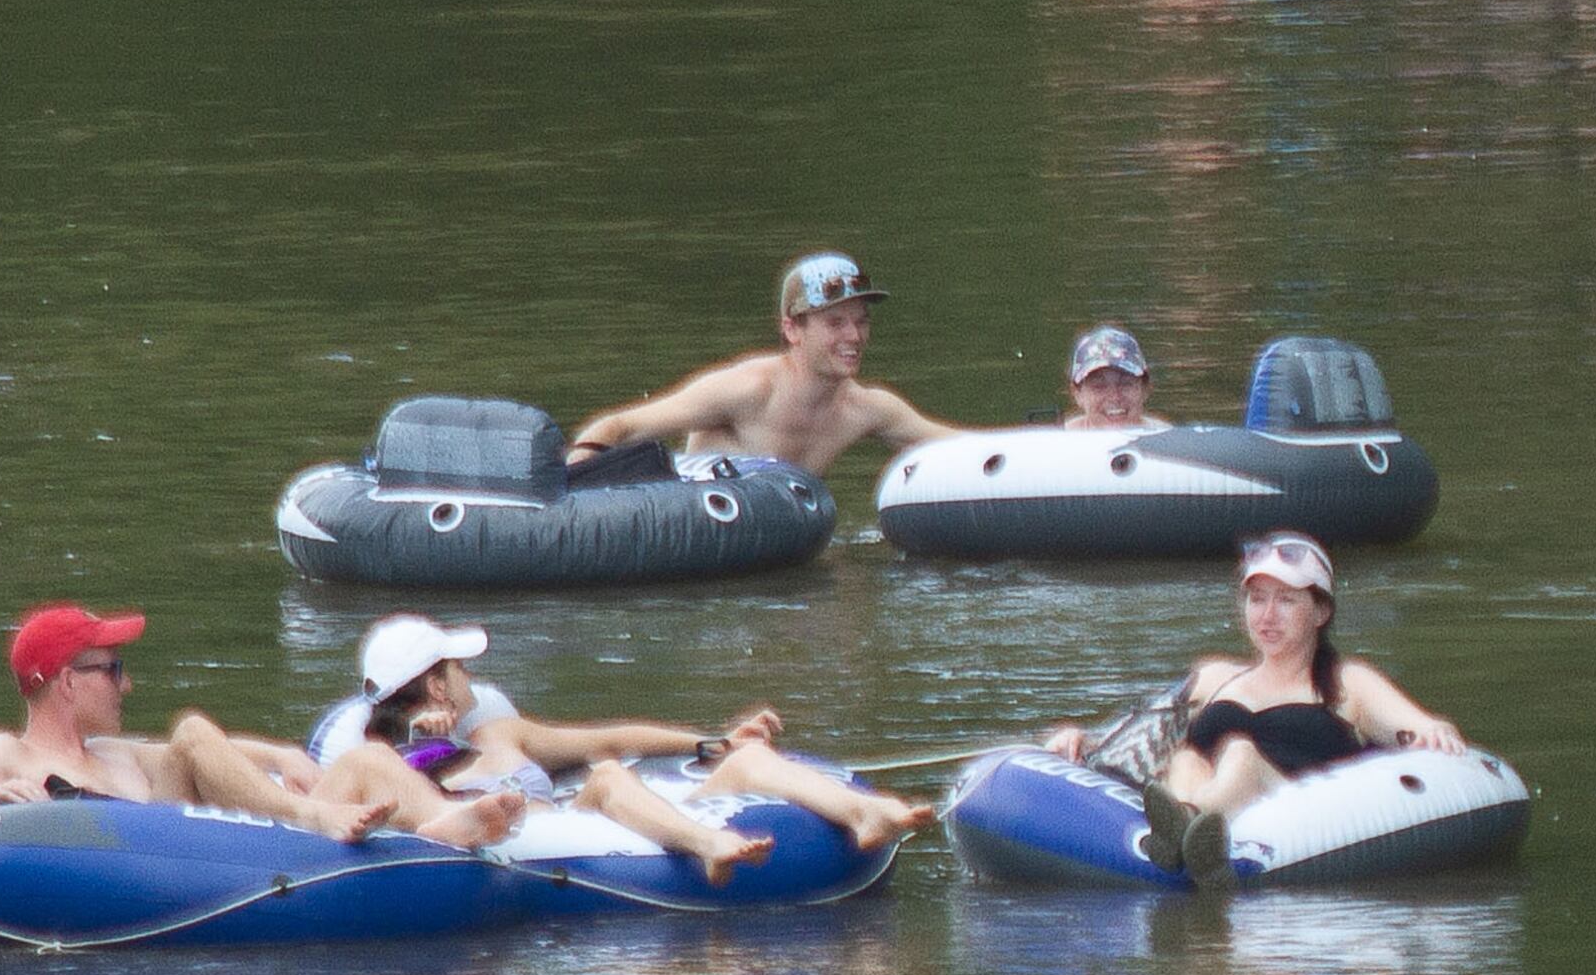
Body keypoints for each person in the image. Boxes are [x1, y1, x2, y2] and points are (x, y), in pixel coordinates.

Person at [307, 617, 933, 872]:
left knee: (737, 759)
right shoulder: (376, 759)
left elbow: (608, 736)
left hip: (569, 821)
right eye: (458, 669)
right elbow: (357, 786)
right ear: (438, 685)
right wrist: (419, 747)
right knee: (607, 779)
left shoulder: (500, 732)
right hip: (525, 842)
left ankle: (862, 812)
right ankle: (708, 846)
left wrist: (711, 741)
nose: (472, 677)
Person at [1044, 535, 1465, 887]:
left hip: (1291, 807)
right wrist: (1086, 740)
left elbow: (1416, 725)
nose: (1267, 616)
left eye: (1285, 601)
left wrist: (1432, 730)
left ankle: (1187, 828)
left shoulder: (1346, 682)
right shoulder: (1214, 677)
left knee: (1241, 754)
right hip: (1198, 797)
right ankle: (1184, 834)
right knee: (1188, 756)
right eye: (1257, 599)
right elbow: (1143, 733)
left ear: (1321, 611)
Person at [0, 604, 384, 846]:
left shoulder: (115, 752)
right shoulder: (10, 755)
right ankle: (312, 820)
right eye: (113, 670)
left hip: (188, 862)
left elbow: (203, 750)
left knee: (372, 759)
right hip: (132, 871)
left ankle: (443, 827)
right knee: (192, 727)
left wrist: (280, 755)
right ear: (68, 683)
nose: (127, 684)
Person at [566, 252, 954, 485]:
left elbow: (955, 444)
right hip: (699, 534)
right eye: (835, 323)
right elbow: (620, 427)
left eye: (861, 320)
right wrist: (570, 478)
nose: (854, 335)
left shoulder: (867, 409)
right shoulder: (747, 390)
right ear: (792, 329)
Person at [1062, 324, 1172, 430]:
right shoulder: (1057, 442)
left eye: (1125, 384)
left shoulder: (1168, 440)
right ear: (1077, 394)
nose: (1114, 397)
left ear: (1145, 388)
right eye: (1099, 386)